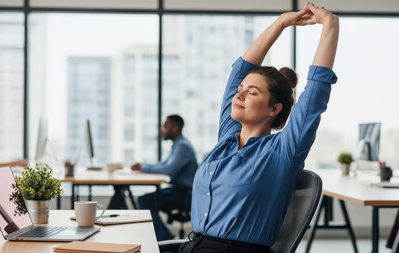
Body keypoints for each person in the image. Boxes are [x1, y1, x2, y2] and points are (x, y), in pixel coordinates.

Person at [176, 3, 339, 253]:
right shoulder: (227, 139)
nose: (239, 95)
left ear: (274, 109)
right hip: (193, 246)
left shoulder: (283, 150)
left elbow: (316, 93)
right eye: (240, 90)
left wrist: (330, 25)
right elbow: (240, 71)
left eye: (251, 92)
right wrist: (281, 22)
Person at [131, 114, 198, 241]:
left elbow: (168, 170)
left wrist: (143, 168)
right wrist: (143, 166)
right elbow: (163, 164)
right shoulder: (178, 144)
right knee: (145, 199)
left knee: (145, 201)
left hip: (185, 194)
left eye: (165, 127)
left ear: (174, 128)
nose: (162, 130)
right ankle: (161, 235)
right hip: (180, 190)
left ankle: (163, 236)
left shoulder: (182, 146)